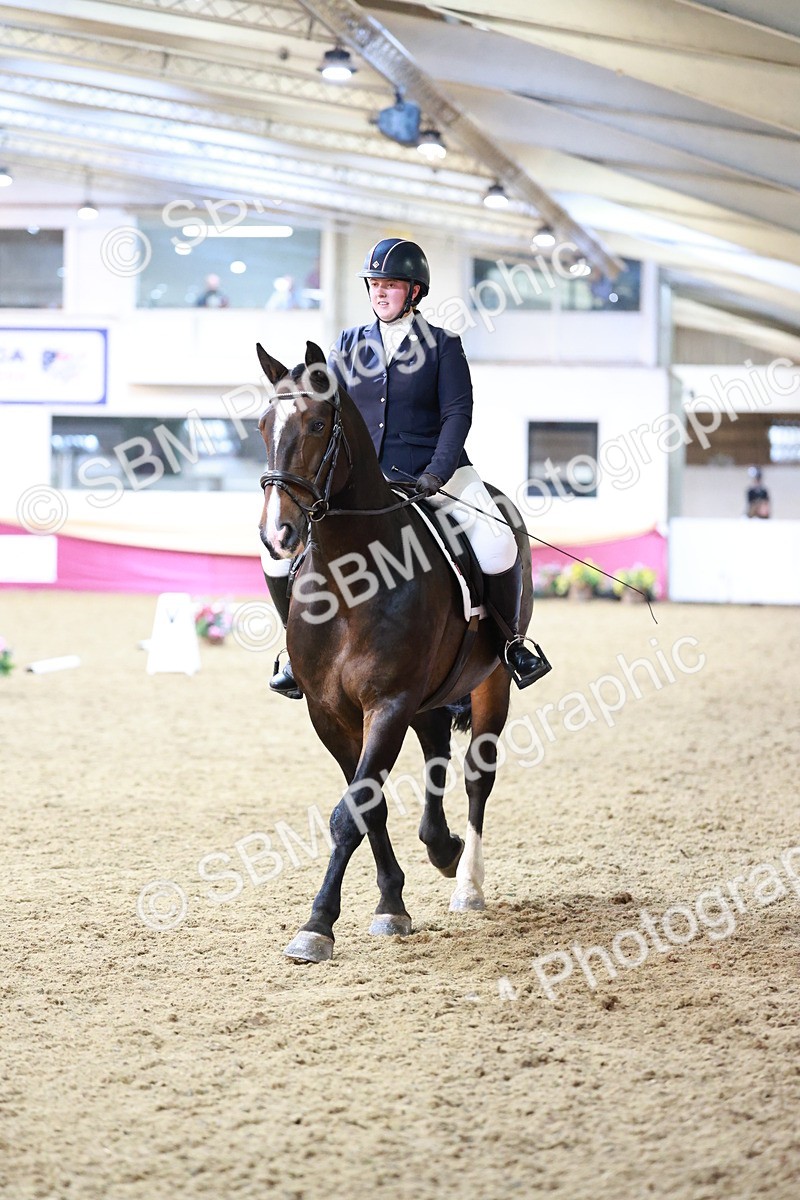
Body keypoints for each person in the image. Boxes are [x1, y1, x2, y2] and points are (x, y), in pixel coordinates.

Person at [264, 236, 551, 699]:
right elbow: (330, 411)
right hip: (365, 480)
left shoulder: (442, 345)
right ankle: (296, 651)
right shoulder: (348, 344)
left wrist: (437, 471)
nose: (380, 292)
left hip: (435, 473)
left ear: (414, 291)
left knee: (498, 543)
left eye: (391, 284)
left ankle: (511, 644)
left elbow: (457, 413)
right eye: (374, 283)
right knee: (276, 553)